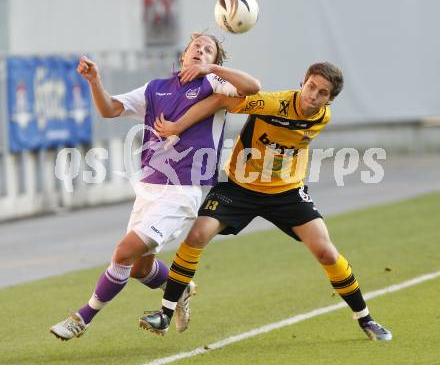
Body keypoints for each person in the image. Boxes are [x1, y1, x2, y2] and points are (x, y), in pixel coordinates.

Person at [141, 62, 392, 341]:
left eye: (322, 93)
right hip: (239, 187)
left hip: (286, 192)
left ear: (329, 100)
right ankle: (165, 313)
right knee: (197, 235)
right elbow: (223, 100)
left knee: (326, 252)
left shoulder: (323, 117)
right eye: (311, 86)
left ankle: (366, 319)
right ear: (302, 83)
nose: (313, 95)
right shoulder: (273, 104)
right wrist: (178, 125)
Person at [50, 33, 261, 340]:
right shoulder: (155, 88)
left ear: (213, 61)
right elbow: (109, 109)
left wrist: (212, 70)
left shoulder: (214, 84)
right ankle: (181, 286)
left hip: (182, 190)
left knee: (123, 253)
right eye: (196, 47)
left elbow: (252, 87)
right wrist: (94, 80)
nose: (200, 51)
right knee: (137, 269)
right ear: (183, 54)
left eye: (208, 51)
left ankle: (82, 318)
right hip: (149, 187)